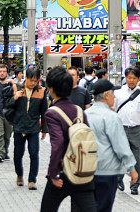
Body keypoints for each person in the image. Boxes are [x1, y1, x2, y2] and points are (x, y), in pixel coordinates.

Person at [40, 67, 97, 211]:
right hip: (82, 170)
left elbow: (58, 144)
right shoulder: (79, 110)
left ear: (51, 89)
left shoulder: (52, 113)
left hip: (62, 174)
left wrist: (53, 173)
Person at [86, 79, 139, 212]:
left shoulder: (84, 114)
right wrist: (131, 168)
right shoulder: (111, 117)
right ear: (107, 95)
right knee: (103, 207)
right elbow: (121, 146)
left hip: (86, 170)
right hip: (106, 171)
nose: (114, 97)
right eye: (113, 94)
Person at [113, 66, 140, 195]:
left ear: (138, 79)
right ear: (125, 78)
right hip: (121, 129)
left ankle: (135, 184)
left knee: (137, 158)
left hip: (137, 129)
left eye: (134, 78)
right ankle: (119, 178)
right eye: (129, 77)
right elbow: (112, 111)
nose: (131, 80)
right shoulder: (118, 93)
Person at [6, 68, 47, 190]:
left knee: (34, 154)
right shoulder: (17, 88)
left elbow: (44, 112)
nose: (33, 83)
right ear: (26, 78)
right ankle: (19, 175)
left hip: (34, 127)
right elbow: (7, 105)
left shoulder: (41, 91)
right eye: (31, 80)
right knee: (18, 155)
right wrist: (15, 98)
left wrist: (44, 129)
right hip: (19, 127)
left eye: (36, 81)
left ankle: (32, 180)